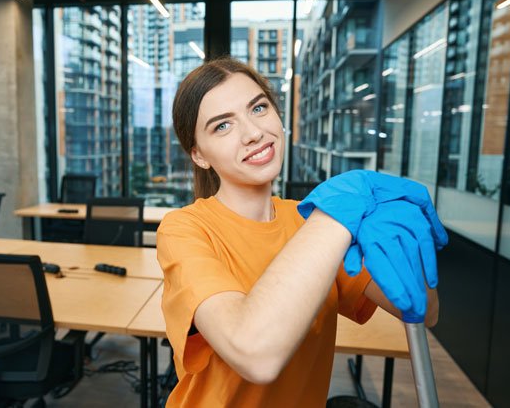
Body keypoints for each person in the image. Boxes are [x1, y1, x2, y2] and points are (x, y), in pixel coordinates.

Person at [157, 57, 439, 407]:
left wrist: (405, 241)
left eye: (258, 108)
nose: (253, 133)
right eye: (222, 126)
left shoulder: (308, 222)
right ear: (199, 155)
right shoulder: (184, 229)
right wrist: (333, 219)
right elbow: (254, 353)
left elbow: (424, 310)